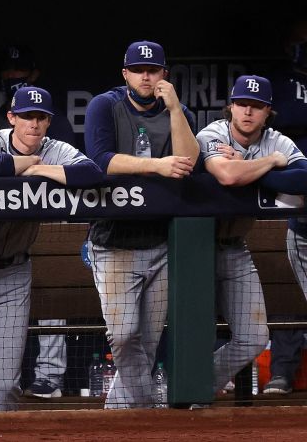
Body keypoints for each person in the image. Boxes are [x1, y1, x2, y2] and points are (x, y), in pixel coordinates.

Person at [0, 86, 102, 411]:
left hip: (12, 275)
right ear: (12, 117)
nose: (33, 124)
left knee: (6, 382)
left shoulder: (54, 150)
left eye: (41, 117)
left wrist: (40, 170)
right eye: (27, 116)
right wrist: (29, 162)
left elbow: (92, 172)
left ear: (48, 122)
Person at [84, 40, 199, 408]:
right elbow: (99, 160)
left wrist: (176, 109)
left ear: (164, 73)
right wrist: (158, 166)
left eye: (153, 70)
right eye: (138, 69)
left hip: (161, 242)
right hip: (114, 241)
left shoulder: (176, 110)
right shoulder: (106, 105)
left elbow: (189, 160)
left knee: (148, 343)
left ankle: (125, 418)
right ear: (126, 73)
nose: (146, 76)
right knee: (123, 335)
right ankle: (147, 412)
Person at [196, 74, 307, 394]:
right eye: (242, 104)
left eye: (256, 106)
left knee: (255, 337)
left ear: (268, 111)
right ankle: (177, 396)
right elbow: (228, 175)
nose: (247, 112)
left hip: (234, 246)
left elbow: (303, 180)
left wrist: (253, 167)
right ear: (230, 107)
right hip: (192, 246)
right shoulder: (213, 133)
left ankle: (196, 386)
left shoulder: (276, 139)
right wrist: (271, 163)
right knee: (194, 332)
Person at [0, 44, 75, 399]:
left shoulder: (58, 124)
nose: (13, 78)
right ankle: (1, 380)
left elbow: (78, 173)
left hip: (48, 224)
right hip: (0, 225)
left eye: (21, 73)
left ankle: (50, 376)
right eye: (8, 74)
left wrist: (35, 168)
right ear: (12, 117)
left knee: (52, 302)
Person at [264, 20, 307, 395]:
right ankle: (282, 370)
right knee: (289, 291)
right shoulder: (282, 82)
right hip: (292, 202)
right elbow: (287, 117)